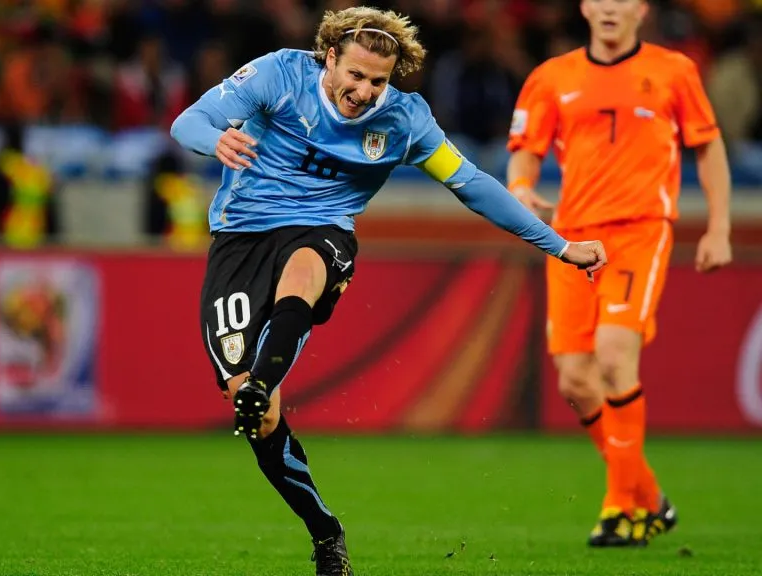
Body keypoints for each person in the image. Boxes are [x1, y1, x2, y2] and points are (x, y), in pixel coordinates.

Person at [170, 7, 607, 575]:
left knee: (304, 270)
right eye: (355, 75)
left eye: (377, 81)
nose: (363, 92)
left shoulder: (405, 120)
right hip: (240, 239)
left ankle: (263, 380)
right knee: (259, 418)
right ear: (330, 58)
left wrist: (560, 246)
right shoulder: (280, 74)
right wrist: (216, 140)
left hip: (323, 233)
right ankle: (325, 529)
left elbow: (472, 184)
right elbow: (189, 122)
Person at [506, 0, 732, 548]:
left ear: (640, 9)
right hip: (571, 241)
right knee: (575, 382)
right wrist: (520, 189)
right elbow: (524, 153)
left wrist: (719, 227)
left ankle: (620, 508)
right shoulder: (551, 77)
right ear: (585, 7)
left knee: (612, 358)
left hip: (639, 231)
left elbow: (708, 147)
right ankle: (648, 496)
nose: (609, 7)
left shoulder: (673, 71)